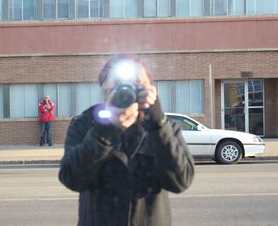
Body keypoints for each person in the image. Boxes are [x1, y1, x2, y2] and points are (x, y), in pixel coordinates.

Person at [59, 54, 195, 226]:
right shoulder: (84, 124)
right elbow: (72, 179)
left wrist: (157, 123)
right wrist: (106, 130)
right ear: (104, 90)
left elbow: (180, 182)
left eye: (137, 83)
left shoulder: (164, 127)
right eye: (116, 84)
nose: (125, 89)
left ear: (149, 88)